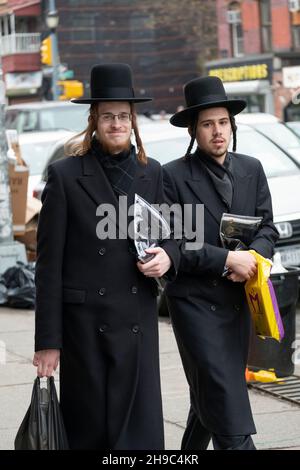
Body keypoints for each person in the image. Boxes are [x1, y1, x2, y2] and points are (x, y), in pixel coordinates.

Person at [32, 63, 179, 450]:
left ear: (133, 121)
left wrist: (167, 257)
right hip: (85, 332)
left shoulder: (153, 173)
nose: (117, 123)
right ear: (94, 119)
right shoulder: (65, 176)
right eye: (108, 115)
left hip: (137, 324)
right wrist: (48, 340)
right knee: (92, 435)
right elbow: (47, 266)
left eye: (124, 116)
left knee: (140, 438)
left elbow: (172, 237)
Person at [162, 76, 279, 450]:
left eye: (223, 122)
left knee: (212, 393)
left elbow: (268, 228)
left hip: (237, 303)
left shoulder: (252, 168)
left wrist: (254, 257)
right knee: (224, 394)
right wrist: (227, 257)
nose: (217, 131)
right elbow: (173, 244)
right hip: (194, 303)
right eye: (208, 124)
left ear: (233, 125)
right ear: (194, 130)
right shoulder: (172, 176)